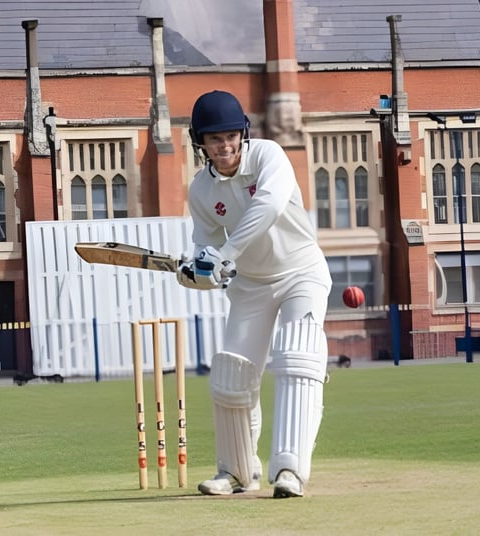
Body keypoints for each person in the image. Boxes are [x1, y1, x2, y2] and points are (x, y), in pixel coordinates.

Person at [176, 90, 332, 498]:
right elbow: (207, 248)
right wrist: (199, 273)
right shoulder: (201, 191)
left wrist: (226, 254)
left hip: (301, 271)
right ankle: (237, 471)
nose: (224, 146)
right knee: (233, 375)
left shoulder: (268, 155)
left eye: (230, 136)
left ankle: (290, 471)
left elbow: (269, 205)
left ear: (242, 133)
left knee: (299, 358)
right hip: (250, 285)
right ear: (201, 144)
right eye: (214, 139)